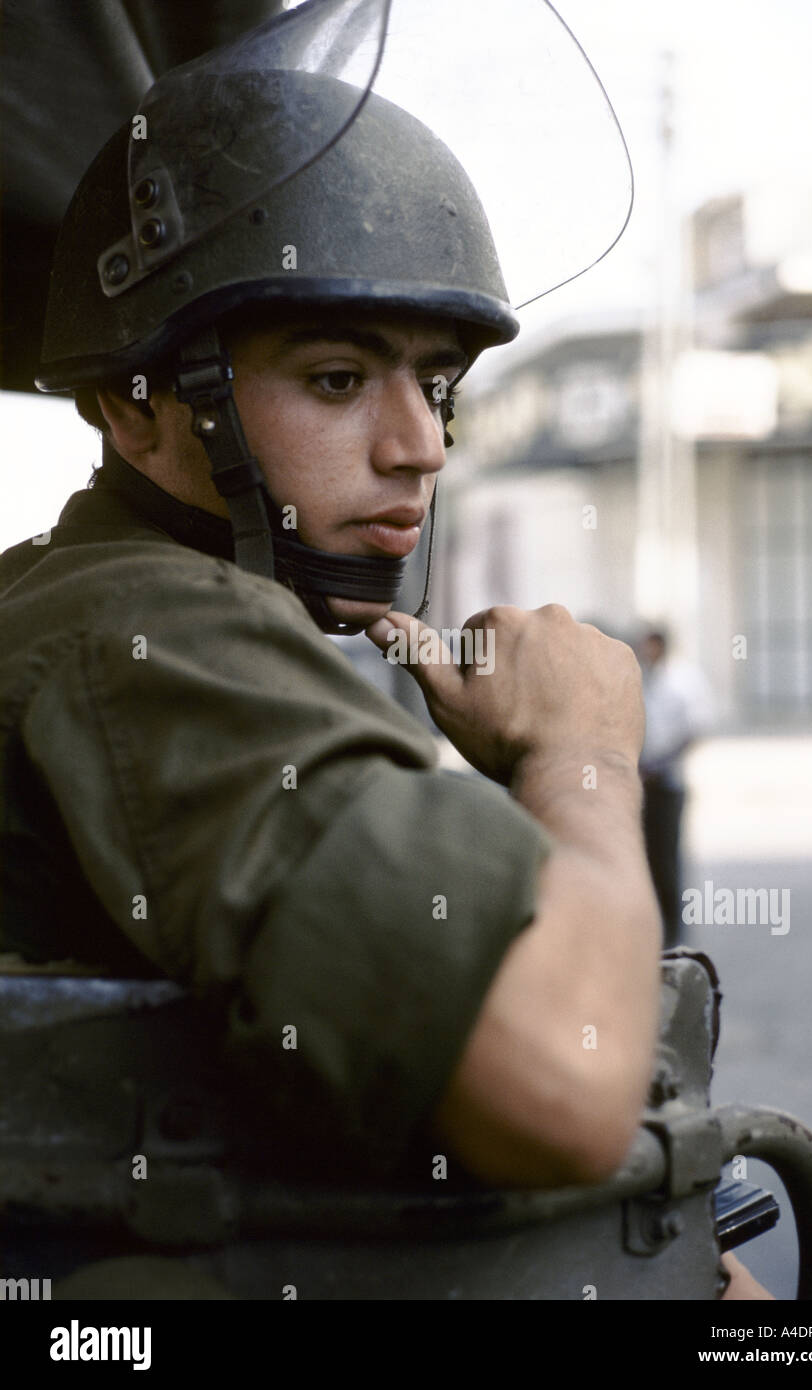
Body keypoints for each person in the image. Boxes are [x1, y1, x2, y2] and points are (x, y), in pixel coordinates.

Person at [0, 6, 763, 1298]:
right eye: (341, 378)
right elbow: (560, 1078)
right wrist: (578, 755)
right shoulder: (154, 620)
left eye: (440, 384)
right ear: (134, 408)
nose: (421, 445)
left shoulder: (144, 597)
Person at [637, 626, 714, 949]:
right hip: (642, 783)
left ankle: (673, 931)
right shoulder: (642, 678)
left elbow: (694, 729)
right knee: (646, 859)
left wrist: (660, 764)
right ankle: (652, 928)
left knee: (667, 861)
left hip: (667, 784)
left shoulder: (683, 680)